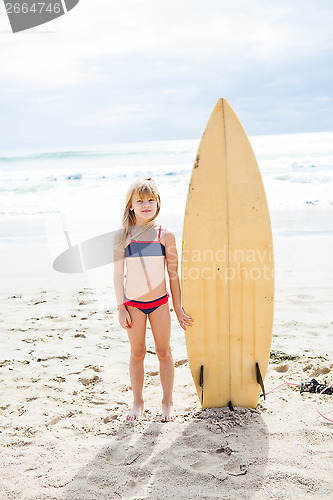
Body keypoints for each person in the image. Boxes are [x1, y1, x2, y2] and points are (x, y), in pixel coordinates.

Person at [113, 177, 193, 422]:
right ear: (131, 205)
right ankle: (138, 402)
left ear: (158, 203)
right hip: (133, 305)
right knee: (137, 353)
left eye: (151, 200)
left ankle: (167, 402)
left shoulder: (164, 235)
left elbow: (173, 274)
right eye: (140, 201)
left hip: (160, 303)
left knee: (163, 351)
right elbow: (117, 275)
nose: (146, 205)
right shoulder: (123, 236)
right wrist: (121, 308)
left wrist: (177, 308)